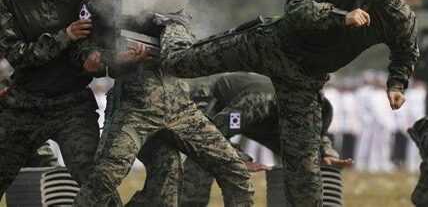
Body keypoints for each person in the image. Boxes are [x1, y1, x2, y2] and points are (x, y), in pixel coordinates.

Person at [158, 0, 428, 206]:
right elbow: (296, 4)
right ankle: (171, 21)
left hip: (303, 81)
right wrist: (340, 16)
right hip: (268, 45)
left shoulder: (397, 15)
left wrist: (397, 83)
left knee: (305, 173)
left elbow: (406, 50)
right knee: (179, 62)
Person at [72, 0, 254, 207]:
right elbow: (86, 58)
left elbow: (185, 43)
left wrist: (163, 50)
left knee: (233, 171)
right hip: (134, 108)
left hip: (179, 106)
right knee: (103, 180)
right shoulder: (98, 2)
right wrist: (117, 58)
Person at [129, 72, 352, 207]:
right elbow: (213, 134)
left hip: (261, 120)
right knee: (205, 160)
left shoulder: (306, 108)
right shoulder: (259, 102)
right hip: (211, 105)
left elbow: (313, 136)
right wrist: (239, 158)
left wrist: (327, 154)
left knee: (300, 157)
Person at [0, 0, 100, 196]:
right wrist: (65, 36)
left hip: (72, 106)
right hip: (23, 106)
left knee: (95, 184)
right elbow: (17, 55)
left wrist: (97, 61)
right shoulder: (9, 2)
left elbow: (92, 49)